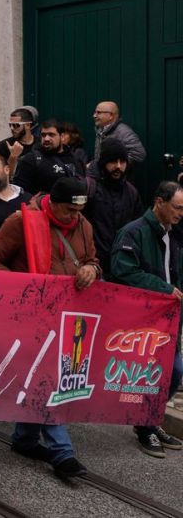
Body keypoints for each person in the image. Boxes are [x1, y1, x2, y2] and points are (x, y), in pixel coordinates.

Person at [0, 178, 97, 479]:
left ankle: (25, 439)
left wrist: (91, 269)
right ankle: (62, 452)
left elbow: (92, 260)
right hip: (31, 317)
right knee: (46, 380)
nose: (74, 217)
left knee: (49, 378)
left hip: (67, 317)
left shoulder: (83, 224)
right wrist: (26, 291)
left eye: (79, 211)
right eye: (69, 210)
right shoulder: (21, 221)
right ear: (54, 203)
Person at [108, 182, 183, 457]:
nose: (181, 213)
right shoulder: (132, 232)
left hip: (169, 320)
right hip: (141, 321)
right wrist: (165, 289)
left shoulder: (173, 235)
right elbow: (122, 271)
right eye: (177, 208)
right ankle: (144, 425)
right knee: (152, 373)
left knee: (174, 371)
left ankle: (150, 419)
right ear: (159, 202)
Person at [84, 138, 142, 272]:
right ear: (103, 163)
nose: (118, 166)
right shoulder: (88, 188)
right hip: (93, 264)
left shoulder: (131, 193)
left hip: (122, 263)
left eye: (122, 162)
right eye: (113, 161)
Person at [13, 119, 81, 195]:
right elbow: (18, 191)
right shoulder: (31, 159)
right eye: (43, 135)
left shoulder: (75, 159)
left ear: (62, 137)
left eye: (51, 135)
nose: (46, 139)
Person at [92, 101, 146, 166]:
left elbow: (139, 154)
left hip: (117, 175)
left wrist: (116, 165)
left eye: (99, 112)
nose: (94, 116)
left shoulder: (124, 132)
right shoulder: (101, 130)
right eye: (95, 112)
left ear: (111, 116)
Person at [0, 107, 38, 174]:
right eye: (10, 125)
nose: (12, 128)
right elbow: (3, 175)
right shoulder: (5, 145)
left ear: (28, 125)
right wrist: (13, 156)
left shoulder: (40, 143)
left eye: (16, 125)